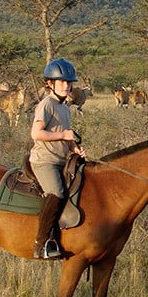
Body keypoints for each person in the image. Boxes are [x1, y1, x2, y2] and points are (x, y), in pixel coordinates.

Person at [30, 58, 87, 259]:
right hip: (45, 160)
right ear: (50, 83)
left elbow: (66, 134)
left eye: (69, 82)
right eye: (62, 82)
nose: (66, 86)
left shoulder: (64, 106)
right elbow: (36, 133)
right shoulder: (47, 104)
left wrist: (75, 148)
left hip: (61, 159)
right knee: (57, 192)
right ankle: (42, 243)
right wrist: (63, 136)